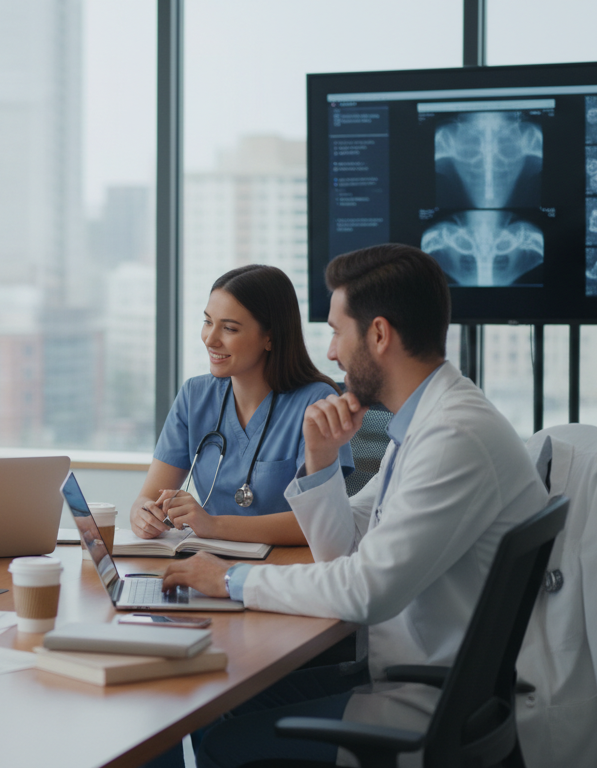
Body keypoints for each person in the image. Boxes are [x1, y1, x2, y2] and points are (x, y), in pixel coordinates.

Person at [161, 244, 548, 767]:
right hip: (415, 672)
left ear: (380, 335)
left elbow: (363, 591)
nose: (332, 354)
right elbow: (346, 544)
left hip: (428, 699)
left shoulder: (453, 436)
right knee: (216, 702)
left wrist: (227, 579)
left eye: (336, 333)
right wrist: (319, 462)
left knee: (225, 739)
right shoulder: (423, 423)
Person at [130, 265, 353, 546]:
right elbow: (149, 496)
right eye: (208, 322)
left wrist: (212, 524)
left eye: (229, 328)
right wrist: (142, 513)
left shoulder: (316, 402)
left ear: (270, 336)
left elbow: (319, 523)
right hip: (207, 565)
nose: (210, 339)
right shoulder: (194, 396)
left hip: (286, 570)